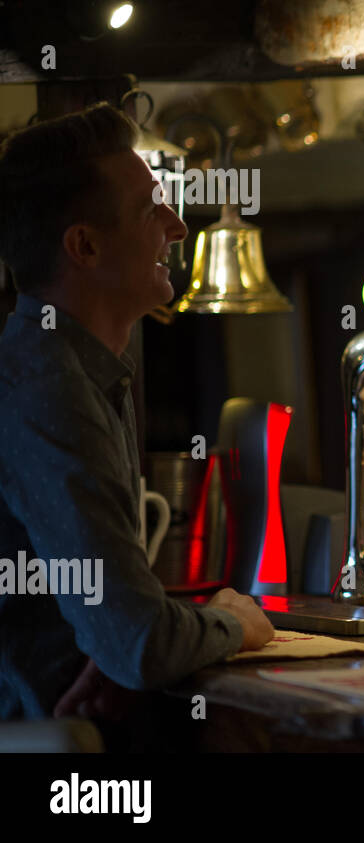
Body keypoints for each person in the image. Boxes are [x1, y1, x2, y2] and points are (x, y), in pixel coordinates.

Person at [0, 103, 273, 723]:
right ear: (85, 246)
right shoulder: (48, 389)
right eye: (152, 208)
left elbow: (115, 632)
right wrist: (231, 623)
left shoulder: (74, 371)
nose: (176, 227)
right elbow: (140, 642)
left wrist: (120, 640)